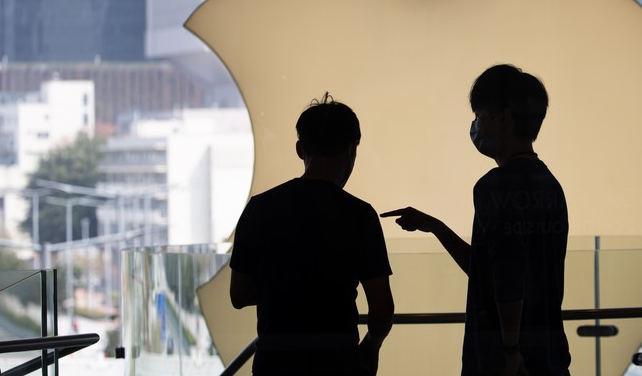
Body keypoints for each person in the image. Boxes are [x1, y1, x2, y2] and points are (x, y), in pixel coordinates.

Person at [383, 64, 571, 376]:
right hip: (550, 356)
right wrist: (437, 228)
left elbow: (508, 277)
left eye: (481, 116)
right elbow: (489, 270)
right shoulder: (551, 187)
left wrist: (511, 351)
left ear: (505, 117)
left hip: (503, 361)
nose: (476, 126)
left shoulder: (494, 186)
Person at [229, 94, 394, 376]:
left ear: (299, 148)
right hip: (338, 361)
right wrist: (371, 345)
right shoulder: (360, 215)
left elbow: (239, 295)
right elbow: (381, 307)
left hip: (275, 360)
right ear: (352, 150)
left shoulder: (259, 208)